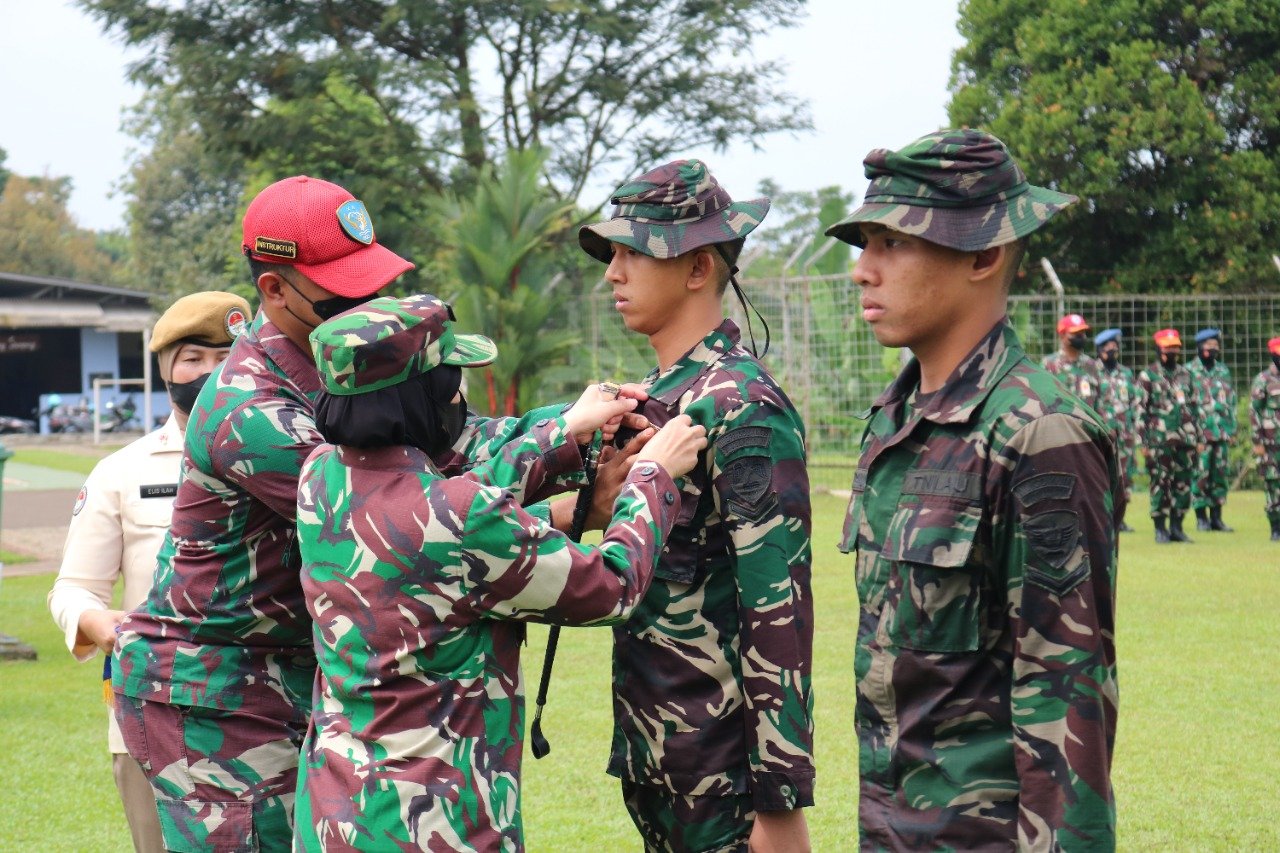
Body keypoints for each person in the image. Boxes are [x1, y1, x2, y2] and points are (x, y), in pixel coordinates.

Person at [291, 294, 706, 850]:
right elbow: (612, 586)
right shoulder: (460, 518)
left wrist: (564, 444)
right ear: (424, 397)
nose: (459, 399)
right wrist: (653, 477)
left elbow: (435, 531)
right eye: (452, 384)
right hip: (436, 827)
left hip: (334, 817)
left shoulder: (320, 474)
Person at [825, 128, 1118, 850]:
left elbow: (1065, 689)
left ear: (983, 255)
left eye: (893, 243)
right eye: (865, 244)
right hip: (892, 829)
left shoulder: (1039, 431)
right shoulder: (895, 423)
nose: (863, 270)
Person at [578, 159, 815, 852]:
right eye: (612, 254)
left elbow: (776, 606)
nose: (612, 274)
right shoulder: (660, 395)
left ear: (698, 267)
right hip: (659, 754)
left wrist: (779, 799)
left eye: (633, 253)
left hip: (721, 774)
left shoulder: (740, 405)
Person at [47, 290, 250, 853]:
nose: (211, 372)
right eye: (193, 358)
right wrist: (97, 622)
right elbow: (74, 588)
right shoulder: (122, 472)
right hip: (155, 715)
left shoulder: (301, 458)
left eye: (227, 356)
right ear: (164, 369)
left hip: (273, 707)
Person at [1137, 328, 1202, 543]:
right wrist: (1143, 441)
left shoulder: (1186, 375)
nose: (1172, 351)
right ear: (1158, 349)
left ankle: (1177, 527)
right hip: (1159, 441)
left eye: (1175, 347)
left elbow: (1195, 407)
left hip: (1186, 440)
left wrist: (1199, 437)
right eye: (1167, 348)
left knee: (1183, 484)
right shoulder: (1148, 375)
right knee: (1160, 483)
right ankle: (1160, 528)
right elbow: (1140, 410)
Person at [1187, 328, 1237, 531]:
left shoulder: (1223, 371)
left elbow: (1231, 402)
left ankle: (1217, 517)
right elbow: (1186, 407)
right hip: (1201, 434)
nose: (1213, 348)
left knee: (1220, 476)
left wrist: (1232, 430)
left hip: (1221, 431)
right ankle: (1201, 518)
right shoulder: (1188, 371)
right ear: (1200, 346)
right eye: (1209, 345)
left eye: (1216, 345)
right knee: (1200, 474)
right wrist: (1191, 434)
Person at [1094, 328, 1139, 531]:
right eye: (1107, 346)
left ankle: (1120, 519)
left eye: (1114, 346)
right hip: (1102, 435)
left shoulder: (1126, 374)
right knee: (1101, 476)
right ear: (1099, 349)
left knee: (1124, 477)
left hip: (1124, 435)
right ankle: (1103, 518)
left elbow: (1134, 403)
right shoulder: (1092, 372)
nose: (1112, 350)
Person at [1250, 337, 1280, 541]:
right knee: (1273, 483)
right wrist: (1257, 441)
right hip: (1271, 443)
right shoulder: (1263, 379)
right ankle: (1275, 527)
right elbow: (1254, 412)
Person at [1043, 312, 1103, 410]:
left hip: (1086, 419)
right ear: (1062, 335)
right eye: (1075, 333)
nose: (1081, 336)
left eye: (1083, 332)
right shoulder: (1049, 364)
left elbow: (1098, 402)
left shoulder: (1091, 365)